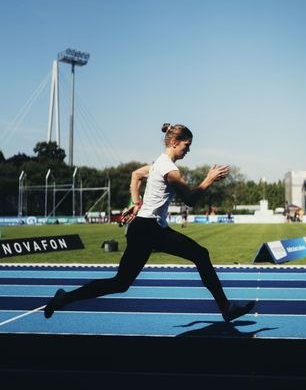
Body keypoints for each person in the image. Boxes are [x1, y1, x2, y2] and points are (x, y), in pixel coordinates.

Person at [44, 123, 256, 322]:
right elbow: (190, 199)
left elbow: (136, 174)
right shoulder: (169, 170)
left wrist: (136, 203)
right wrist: (209, 179)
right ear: (174, 142)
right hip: (149, 228)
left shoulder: (157, 164)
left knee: (121, 283)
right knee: (201, 254)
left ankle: (65, 298)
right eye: (187, 146)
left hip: (142, 228)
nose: (188, 151)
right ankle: (225, 308)